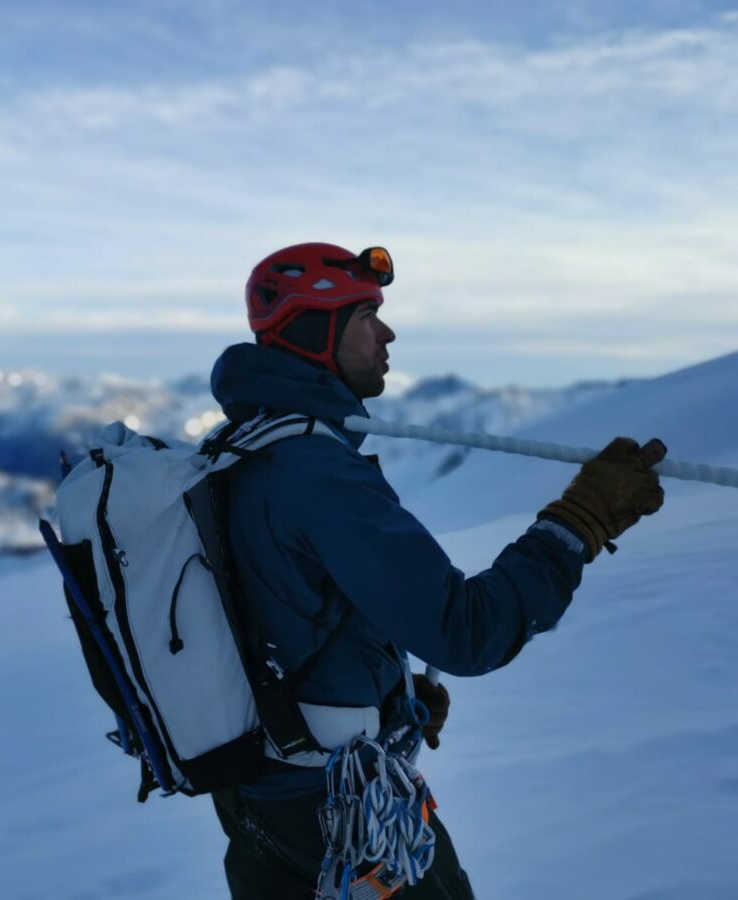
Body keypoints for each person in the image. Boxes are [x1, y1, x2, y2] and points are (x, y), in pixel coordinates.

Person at [207, 242, 666, 899]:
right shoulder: (315, 469)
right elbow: (467, 632)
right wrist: (580, 522)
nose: (387, 331)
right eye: (366, 314)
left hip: (259, 798)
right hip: (342, 817)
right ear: (316, 334)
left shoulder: (236, 449)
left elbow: (281, 611)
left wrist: (389, 702)